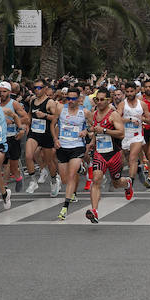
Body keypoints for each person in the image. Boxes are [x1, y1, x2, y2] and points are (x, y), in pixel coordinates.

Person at [88, 87, 134, 222]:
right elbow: (96, 131)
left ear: (108, 100)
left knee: (116, 183)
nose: (99, 102)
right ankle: (94, 211)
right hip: (99, 153)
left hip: (114, 154)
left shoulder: (113, 115)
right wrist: (92, 142)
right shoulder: (94, 114)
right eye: (97, 99)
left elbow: (121, 133)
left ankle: (127, 183)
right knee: (96, 179)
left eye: (102, 99)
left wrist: (104, 130)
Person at [52, 86, 91, 220]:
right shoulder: (60, 109)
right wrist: (55, 139)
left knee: (70, 177)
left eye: (73, 99)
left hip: (77, 147)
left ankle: (65, 208)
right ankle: (80, 168)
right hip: (62, 146)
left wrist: (86, 131)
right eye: (68, 98)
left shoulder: (85, 112)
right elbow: (53, 125)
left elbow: (93, 127)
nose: (70, 101)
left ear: (79, 99)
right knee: (64, 180)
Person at [25, 79, 60, 195]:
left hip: (46, 134)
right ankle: (33, 181)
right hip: (34, 133)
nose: (36, 90)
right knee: (28, 155)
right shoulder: (33, 101)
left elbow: (56, 118)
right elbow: (29, 115)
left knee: (49, 161)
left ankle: (54, 180)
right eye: (35, 88)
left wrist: (45, 115)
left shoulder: (50, 102)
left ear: (45, 89)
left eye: (39, 88)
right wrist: (26, 125)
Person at [0, 81, 29, 192]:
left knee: (13, 166)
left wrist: (12, 121)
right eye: (0, 91)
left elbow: (26, 118)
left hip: (12, 137)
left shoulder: (14, 103)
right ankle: (4, 186)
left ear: (9, 92)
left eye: (4, 91)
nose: (2, 94)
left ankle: (18, 177)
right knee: (3, 163)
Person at [121, 82, 150, 187]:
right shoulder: (122, 104)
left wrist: (143, 118)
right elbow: (116, 119)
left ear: (136, 91)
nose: (129, 93)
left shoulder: (142, 104)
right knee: (129, 160)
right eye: (127, 91)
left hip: (137, 136)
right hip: (125, 136)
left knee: (133, 158)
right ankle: (138, 169)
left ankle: (130, 185)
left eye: (131, 91)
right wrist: (129, 119)